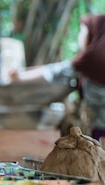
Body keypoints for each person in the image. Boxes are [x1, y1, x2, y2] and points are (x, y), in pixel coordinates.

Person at [10, 14, 105, 142]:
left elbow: (54, 71)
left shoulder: (91, 60)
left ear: (96, 31)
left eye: (83, 30)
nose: (80, 36)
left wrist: (20, 76)